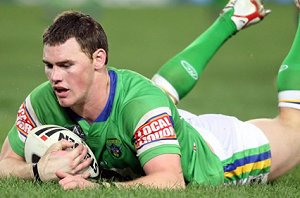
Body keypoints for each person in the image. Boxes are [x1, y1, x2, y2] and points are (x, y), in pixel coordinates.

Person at [0, 0, 292, 190]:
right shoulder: (43, 99)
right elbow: (4, 165)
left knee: (294, 126)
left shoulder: (140, 105)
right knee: (153, 99)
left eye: (66, 65)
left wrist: (97, 189)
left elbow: (171, 180)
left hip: (218, 153)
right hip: (156, 126)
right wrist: (38, 170)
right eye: (49, 66)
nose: (55, 77)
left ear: (98, 59)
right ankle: (234, 17)